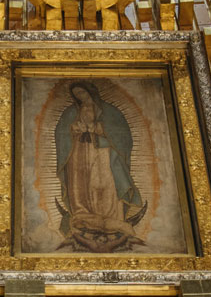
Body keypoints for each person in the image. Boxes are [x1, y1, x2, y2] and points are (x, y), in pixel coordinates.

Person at [54, 80, 147, 252]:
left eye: (82, 93)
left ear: (91, 91)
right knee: (81, 185)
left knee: (106, 182)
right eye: (76, 95)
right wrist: (73, 129)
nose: (80, 97)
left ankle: (112, 217)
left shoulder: (110, 112)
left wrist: (99, 128)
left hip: (104, 152)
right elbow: (61, 133)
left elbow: (123, 134)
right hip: (79, 153)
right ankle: (83, 215)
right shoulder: (70, 112)